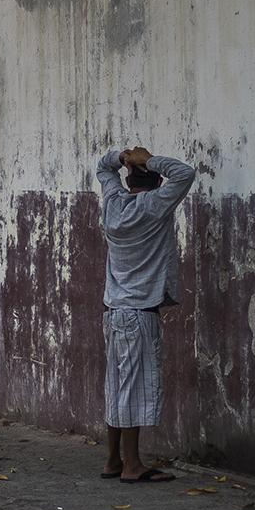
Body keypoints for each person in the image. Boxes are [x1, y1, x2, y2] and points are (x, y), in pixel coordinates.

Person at [96, 144, 196, 483]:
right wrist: (148, 159)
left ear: (128, 178)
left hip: (113, 312)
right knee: (132, 390)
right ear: (155, 180)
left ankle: (112, 460)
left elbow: (102, 169)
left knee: (116, 386)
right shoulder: (155, 205)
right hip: (138, 313)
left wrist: (120, 158)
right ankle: (132, 465)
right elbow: (185, 173)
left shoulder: (113, 204)